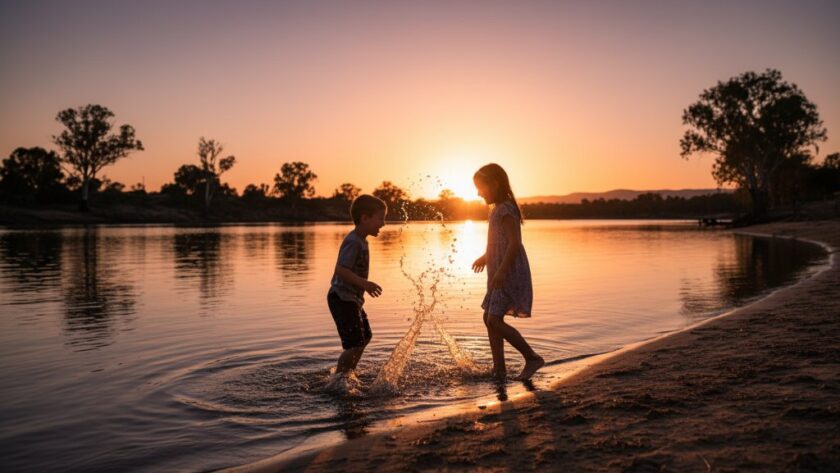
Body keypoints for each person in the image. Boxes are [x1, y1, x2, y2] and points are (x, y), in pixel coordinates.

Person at [472, 163, 544, 381]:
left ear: (494, 184)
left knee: (494, 320)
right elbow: (499, 241)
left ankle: (532, 358)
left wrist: (501, 271)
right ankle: (499, 369)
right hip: (497, 271)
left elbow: (514, 243)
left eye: (481, 188)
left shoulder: (505, 209)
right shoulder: (496, 209)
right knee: (489, 317)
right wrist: (486, 257)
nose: (478, 193)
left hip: (508, 272)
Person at [326, 194, 387, 392]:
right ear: (364, 218)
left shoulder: (361, 240)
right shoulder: (354, 241)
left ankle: (348, 373)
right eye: (380, 218)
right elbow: (340, 270)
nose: (383, 223)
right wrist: (365, 284)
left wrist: (361, 290)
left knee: (365, 336)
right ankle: (338, 381)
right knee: (353, 344)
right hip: (342, 299)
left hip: (351, 299)